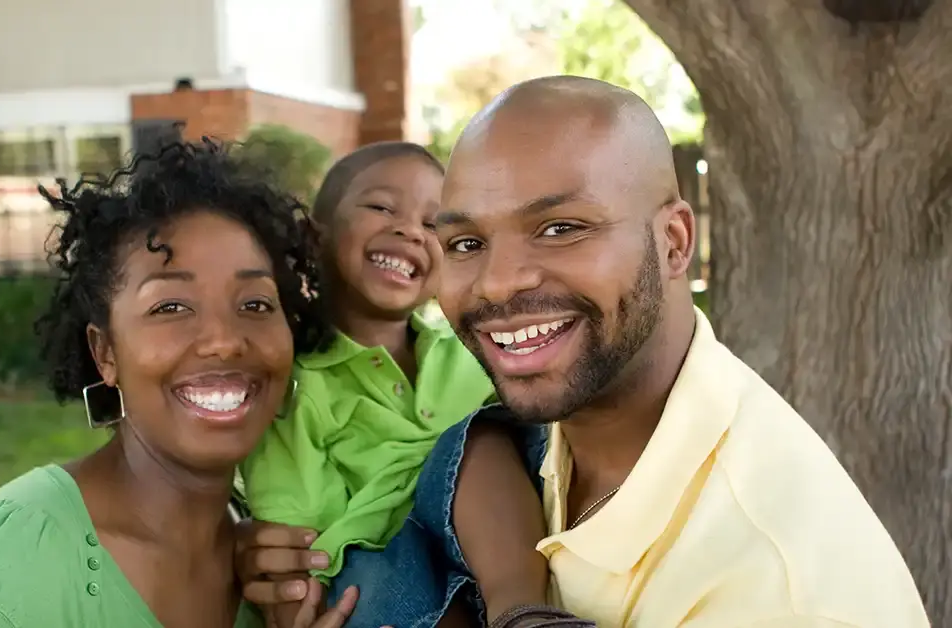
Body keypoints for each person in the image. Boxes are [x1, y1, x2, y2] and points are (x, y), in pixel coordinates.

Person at [234, 76, 931, 627]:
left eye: (561, 227)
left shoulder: (779, 596)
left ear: (674, 243)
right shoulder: (548, 430)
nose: (500, 281)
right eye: (468, 243)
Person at [0, 139, 358, 628]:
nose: (225, 341)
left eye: (255, 304)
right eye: (171, 307)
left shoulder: (279, 568)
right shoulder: (23, 556)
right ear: (106, 353)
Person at [237, 142, 497, 628]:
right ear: (316, 237)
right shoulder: (296, 382)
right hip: (384, 577)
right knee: (364, 587)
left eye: (433, 224)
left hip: (497, 557)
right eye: (381, 207)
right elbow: (298, 547)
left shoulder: (471, 355)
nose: (409, 231)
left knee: (484, 445)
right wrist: (295, 615)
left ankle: (525, 613)